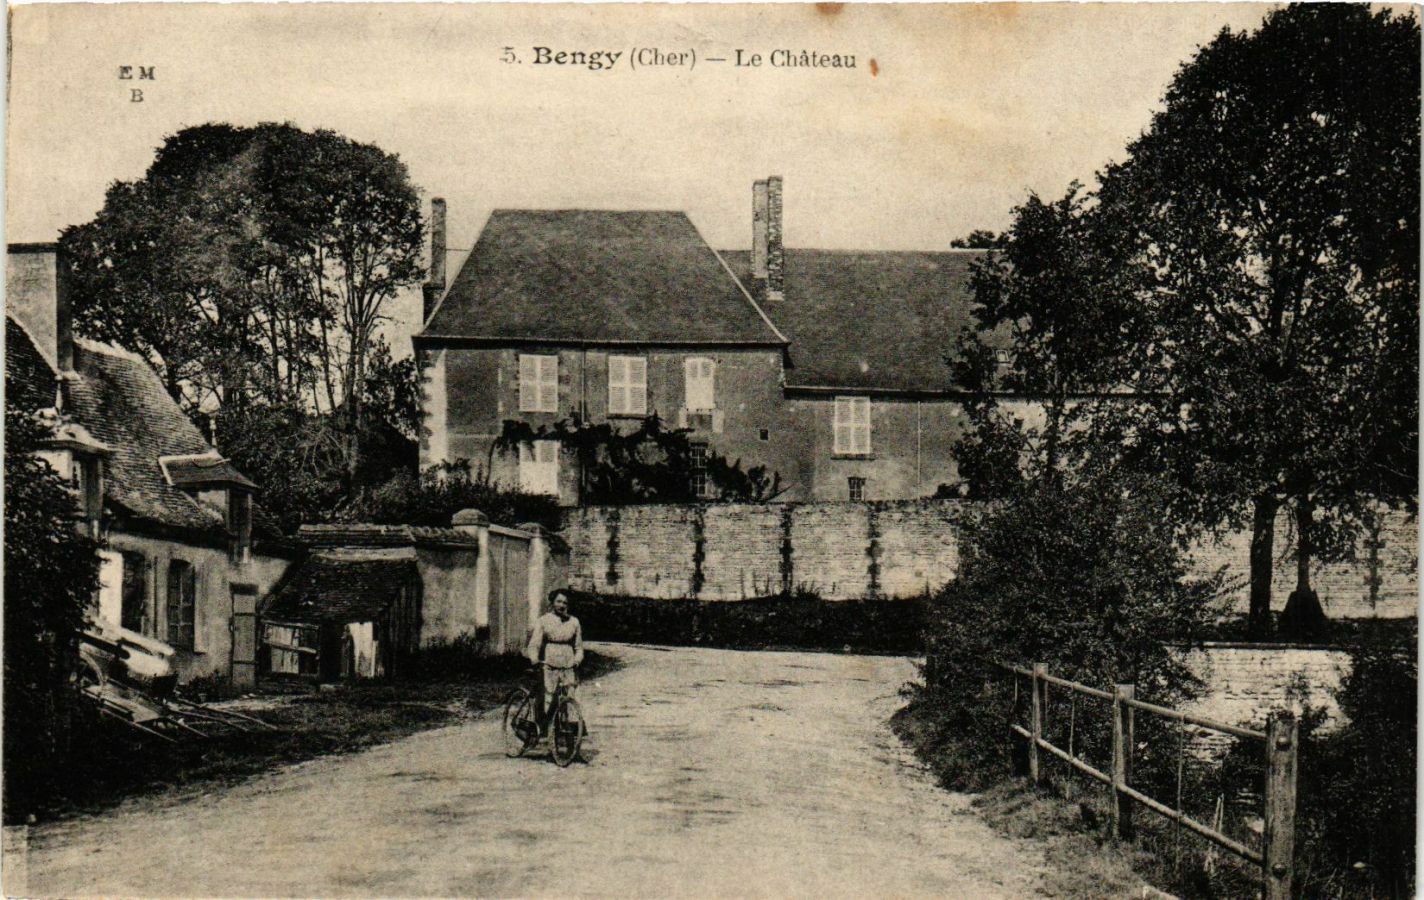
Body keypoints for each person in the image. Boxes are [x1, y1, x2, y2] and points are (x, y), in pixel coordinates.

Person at [525, 588, 583, 736]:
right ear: (552, 602)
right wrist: (534, 659)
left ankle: (569, 737)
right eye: (558, 601)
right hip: (549, 665)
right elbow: (534, 645)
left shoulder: (574, 622)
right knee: (548, 698)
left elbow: (579, 647)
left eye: (565, 603)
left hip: (568, 666)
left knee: (570, 699)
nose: (562, 605)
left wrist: (577, 661)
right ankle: (541, 730)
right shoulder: (544, 620)